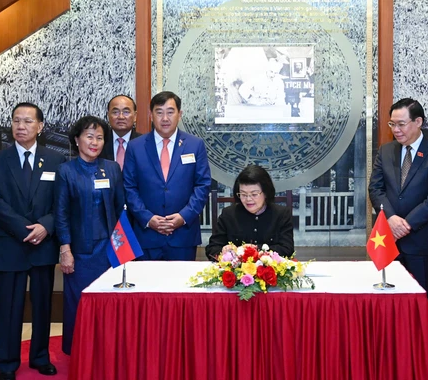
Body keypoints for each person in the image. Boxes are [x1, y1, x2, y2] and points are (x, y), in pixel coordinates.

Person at [0, 103, 66, 380]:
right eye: (16, 121)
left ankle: (40, 357)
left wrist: (46, 226)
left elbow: (62, 202)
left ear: (40, 126)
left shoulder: (56, 160)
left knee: (42, 304)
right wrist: (23, 229)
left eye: (28, 121)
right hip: (10, 243)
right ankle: (7, 362)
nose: (21, 126)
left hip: (43, 243)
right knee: (9, 306)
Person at [368, 98, 428, 341]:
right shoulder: (386, 151)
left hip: (424, 243)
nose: (396, 130)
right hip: (389, 243)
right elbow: (376, 189)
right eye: (392, 124)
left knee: (426, 302)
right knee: (390, 304)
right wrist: (392, 217)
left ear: (418, 122)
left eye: (402, 124)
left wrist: (406, 224)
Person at [55, 116, 125, 355]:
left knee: (110, 302)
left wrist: (123, 251)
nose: (94, 142)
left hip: (109, 250)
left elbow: (119, 210)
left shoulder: (112, 168)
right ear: (77, 139)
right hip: (80, 251)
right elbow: (61, 214)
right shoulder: (66, 171)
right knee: (79, 303)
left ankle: (108, 351)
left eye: (99, 137)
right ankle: (79, 351)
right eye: (89, 136)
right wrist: (65, 250)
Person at [123, 91, 211, 260]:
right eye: (159, 112)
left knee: (181, 285)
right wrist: (148, 218)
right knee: (146, 285)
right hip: (146, 236)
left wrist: (183, 216)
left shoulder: (195, 145)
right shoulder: (136, 147)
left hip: (183, 236)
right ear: (150, 115)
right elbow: (129, 187)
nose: (165, 118)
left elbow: (202, 185)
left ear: (180, 114)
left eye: (170, 112)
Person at [205, 165, 294, 261]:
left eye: (254, 194)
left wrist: (254, 250)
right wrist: (223, 251)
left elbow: (287, 249)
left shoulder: (281, 214)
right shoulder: (228, 214)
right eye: (243, 194)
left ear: (266, 193)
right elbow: (211, 249)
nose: (248, 199)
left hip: (270, 272)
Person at [99, 94, 141, 170]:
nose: (121, 117)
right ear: (108, 115)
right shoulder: (99, 142)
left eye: (126, 112)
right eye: (115, 112)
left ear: (135, 116)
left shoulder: (144, 144)